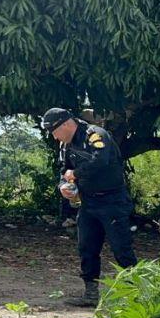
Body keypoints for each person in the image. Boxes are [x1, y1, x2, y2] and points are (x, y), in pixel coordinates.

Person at [41, 108, 137, 307]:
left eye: (54, 130)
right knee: (86, 248)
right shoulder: (66, 146)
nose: (53, 136)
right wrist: (63, 188)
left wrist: (75, 173)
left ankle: (137, 295)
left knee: (121, 249)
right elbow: (63, 172)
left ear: (66, 124)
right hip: (88, 203)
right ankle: (91, 294)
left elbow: (100, 160)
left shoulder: (95, 135)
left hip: (112, 202)